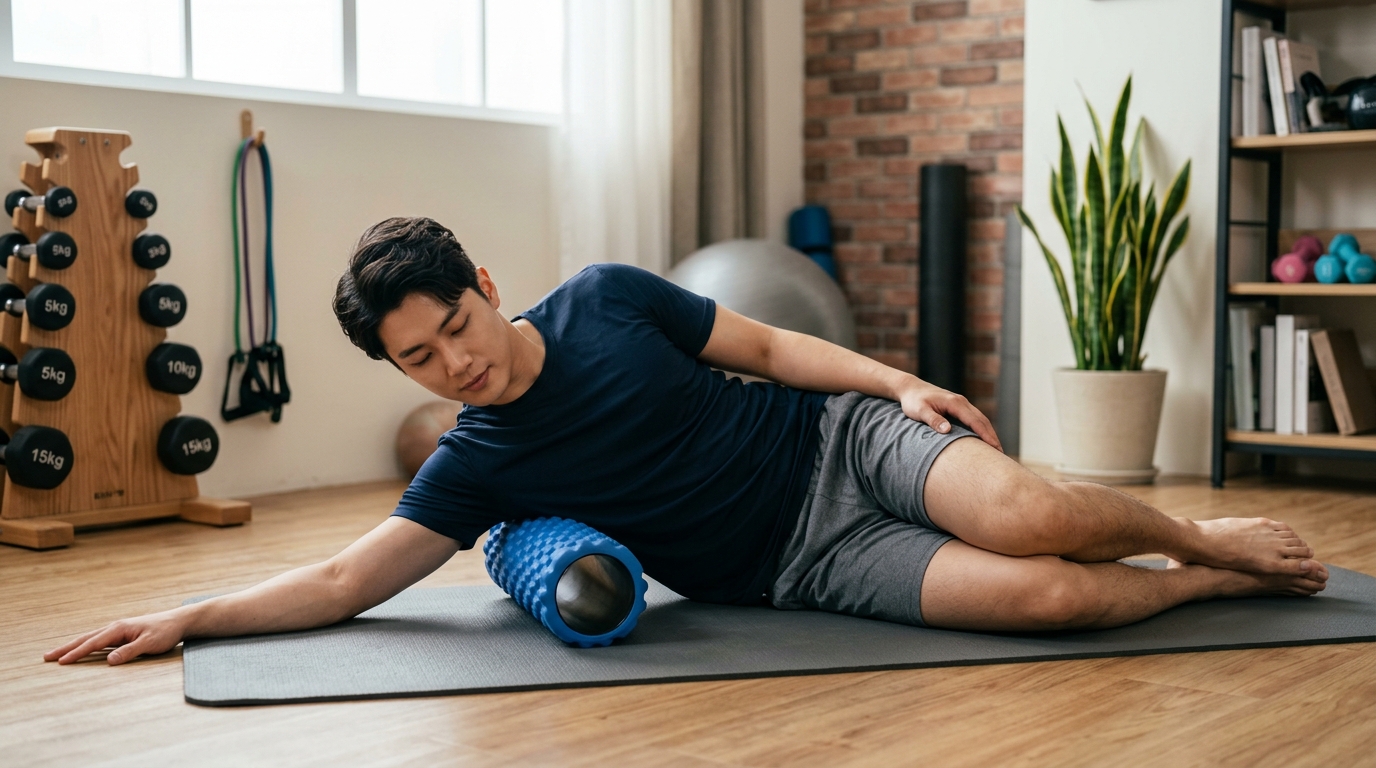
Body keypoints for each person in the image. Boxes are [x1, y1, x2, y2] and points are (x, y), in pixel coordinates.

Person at [46, 217, 1328, 666]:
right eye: (421, 360)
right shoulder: (479, 460)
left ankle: (1186, 532)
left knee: (1043, 517)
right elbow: (339, 582)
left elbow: (766, 347)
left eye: (456, 326)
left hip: (842, 446)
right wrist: (194, 615)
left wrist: (899, 382)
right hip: (795, 569)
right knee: (1045, 598)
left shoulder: (606, 296)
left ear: (485, 282)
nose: (458, 364)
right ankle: (1206, 582)